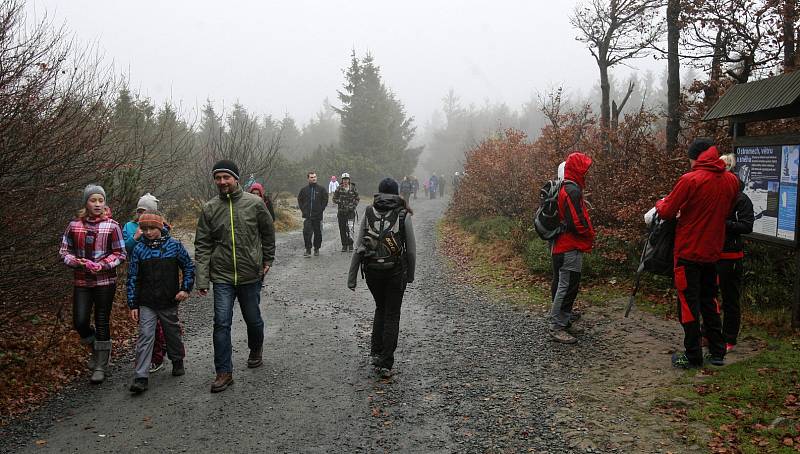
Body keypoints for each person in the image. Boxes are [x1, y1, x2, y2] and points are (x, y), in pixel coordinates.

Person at [656, 140, 740, 369]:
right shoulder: (731, 180)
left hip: (688, 252)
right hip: (713, 252)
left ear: (695, 157)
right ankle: (717, 352)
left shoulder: (690, 179)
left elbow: (666, 211)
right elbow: (726, 207)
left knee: (687, 303)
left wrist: (660, 201)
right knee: (710, 301)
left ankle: (692, 355)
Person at [195, 160, 276, 393]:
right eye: (218, 178)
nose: (222, 182)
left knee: (253, 319)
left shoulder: (255, 204)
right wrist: (202, 279)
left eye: (226, 177)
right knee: (221, 323)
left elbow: (268, 232)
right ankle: (223, 372)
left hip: (250, 273)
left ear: (236, 179)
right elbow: (202, 244)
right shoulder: (210, 208)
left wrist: (267, 259)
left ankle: (256, 348)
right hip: (222, 276)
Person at [348, 178, 416, 377]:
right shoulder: (403, 214)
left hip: (371, 271)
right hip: (395, 272)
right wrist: (410, 275)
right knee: (392, 314)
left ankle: (376, 352)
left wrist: (351, 278)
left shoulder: (369, 211)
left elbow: (358, 246)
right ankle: (386, 363)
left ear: (379, 192)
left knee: (380, 307)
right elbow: (411, 251)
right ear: (396, 193)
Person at [59, 185, 126, 384]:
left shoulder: (112, 226)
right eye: (93, 200)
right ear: (86, 202)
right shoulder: (73, 226)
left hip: (105, 281)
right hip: (81, 280)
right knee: (79, 321)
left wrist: (104, 265)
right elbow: (64, 252)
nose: (97, 204)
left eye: (100, 200)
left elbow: (121, 254)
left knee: (102, 320)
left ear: (105, 203)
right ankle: (97, 349)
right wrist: (77, 262)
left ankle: (100, 365)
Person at [127, 211, 194, 394]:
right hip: (147, 301)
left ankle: (177, 359)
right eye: (144, 229)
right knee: (145, 335)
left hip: (168, 299)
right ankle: (141, 376)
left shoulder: (173, 246)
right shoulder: (139, 249)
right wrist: (133, 303)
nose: (148, 232)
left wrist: (185, 288)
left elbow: (188, 266)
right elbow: (133, 277)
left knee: (172, 331)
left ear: (161, 227)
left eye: (152, 228)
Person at [548, 152, 595, 344]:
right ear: (577, 169)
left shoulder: (566, 187)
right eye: (584, 168)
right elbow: (577, 221)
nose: (586, 172)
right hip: (568, 247)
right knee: (565, 286)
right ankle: (556, 326)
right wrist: (589, 234)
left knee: (567, 285)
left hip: (563, 245)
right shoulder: (572, 190)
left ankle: (563, 319)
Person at [122, 193, 169, 374]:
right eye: (141, 211)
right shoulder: (129, 226)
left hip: (160, 279)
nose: (143, 215)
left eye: (147, 211)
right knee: (147, 324)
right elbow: (126, 249)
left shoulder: (161, 225)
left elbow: (166, 246)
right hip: (139, 277)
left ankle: (165, 349)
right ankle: (152, 356)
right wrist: (136, 236)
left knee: (164, 321)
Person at [717, 153, 754, 353]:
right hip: (712, 254)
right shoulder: (717, 195)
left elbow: (747, 226)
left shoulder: (742, 199)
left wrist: (725, 224)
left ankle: (729, 338)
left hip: (731, 257)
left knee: (730, 299)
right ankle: (710, 333)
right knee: (709, 297)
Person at [298, 171, 328, 256]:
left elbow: (325, 200)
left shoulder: (321, 189)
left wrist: (321, 209)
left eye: (315, 177)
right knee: (306, 233)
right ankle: (308, 249)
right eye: (311, 177)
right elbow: (300, 200)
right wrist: (303, 209)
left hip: (318, 216)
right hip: (308, 216)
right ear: (308, 179)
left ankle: (316, 249)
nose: (313, 178)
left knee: (318, 233)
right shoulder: (304, 190)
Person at [332, 172, 360, 252]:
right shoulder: (338, 188)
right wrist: (339, 201)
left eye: (346, 179)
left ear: (349, 180)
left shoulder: (353, 188)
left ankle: (350, 244)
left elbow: (357, 198)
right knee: (342, 229)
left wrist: (353, 206)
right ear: (342, 180)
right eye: (344, 179)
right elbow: (334, 199)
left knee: (350, 228)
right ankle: (344, 245)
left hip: (350, 212)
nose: (345, 181)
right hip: (341, 212)